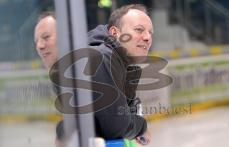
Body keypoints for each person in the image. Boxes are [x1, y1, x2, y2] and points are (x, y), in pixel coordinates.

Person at [34, 4, 152, 146]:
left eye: (150, 32)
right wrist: (142, 127)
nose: (147, 37)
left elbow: (101, 123)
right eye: (139, 30)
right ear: (115, 33)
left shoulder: (110, 59)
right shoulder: (102, 58)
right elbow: (115, 127)